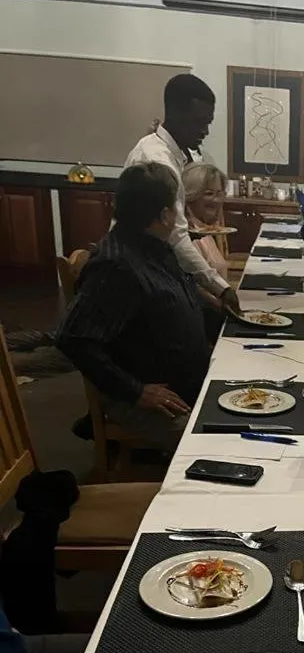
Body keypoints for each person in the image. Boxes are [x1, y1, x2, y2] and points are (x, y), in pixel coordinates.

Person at [57, 162, 212, 449]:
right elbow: (73, 338)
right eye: (176, 208)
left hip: (187, 384)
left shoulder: (153, 247)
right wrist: (137, 391)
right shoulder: (117, 267)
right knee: (222, 443)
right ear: (165, 215)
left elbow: (184, 296)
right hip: (152, 399)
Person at [124, 73, 240, 313]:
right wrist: (222, 288)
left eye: (208, 122)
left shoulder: (163, 150)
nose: (206, 131)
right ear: (175, 113)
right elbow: (174, 238)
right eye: (199, 122)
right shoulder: (159, 161)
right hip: (139, 278)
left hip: (155, 269)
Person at [181, 162, 229, 282]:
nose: (216, 199)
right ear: (190, 197)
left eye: (219, 193)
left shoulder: (204, 230)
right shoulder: (185, 236)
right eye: (209, 193)